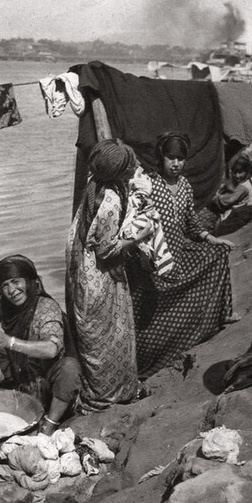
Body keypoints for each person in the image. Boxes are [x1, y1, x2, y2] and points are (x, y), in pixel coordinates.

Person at [128, 131, 238, 377]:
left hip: (179, 251)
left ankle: (218, 315)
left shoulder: (186, 186)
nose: (176, 164)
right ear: (161, 158)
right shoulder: (150, 184)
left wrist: (212, 238)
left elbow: (191, 223)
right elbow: (133, 223)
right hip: (153, 258)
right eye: (171, 158)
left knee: (217, 254)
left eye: (180, 158)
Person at [66, 138, 153, 413]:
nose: (134, 167)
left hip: (84, 274)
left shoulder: (95, 186)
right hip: (100, 280)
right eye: (130, 164)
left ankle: (101, 392)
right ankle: (109, 397)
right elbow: (106, 250)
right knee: (109, 339)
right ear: (119, 171)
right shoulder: (112, 199)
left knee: (94, 339)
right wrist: (140, 234)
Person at [0, 254, 81, 436]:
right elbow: (0, 308)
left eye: (16, 282)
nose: (12, 290)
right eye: (5, 285)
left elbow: (51, 349)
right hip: (23, 370)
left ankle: (50, 423)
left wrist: (10, 342)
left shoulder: (47, 309)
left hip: (47, 378)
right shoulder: (12, 305)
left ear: (31, 281)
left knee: (70, 368)